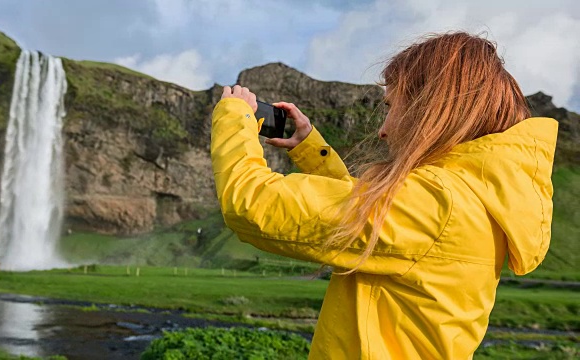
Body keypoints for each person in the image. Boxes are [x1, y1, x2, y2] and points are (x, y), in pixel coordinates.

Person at [210, 32, 557, 359]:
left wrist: (235, 116)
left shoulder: (437, 203)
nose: (384, 129)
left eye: (392, 106)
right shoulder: (472, 197)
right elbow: (367, 229)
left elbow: (251, 203)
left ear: (431, 110)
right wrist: (311, 151)